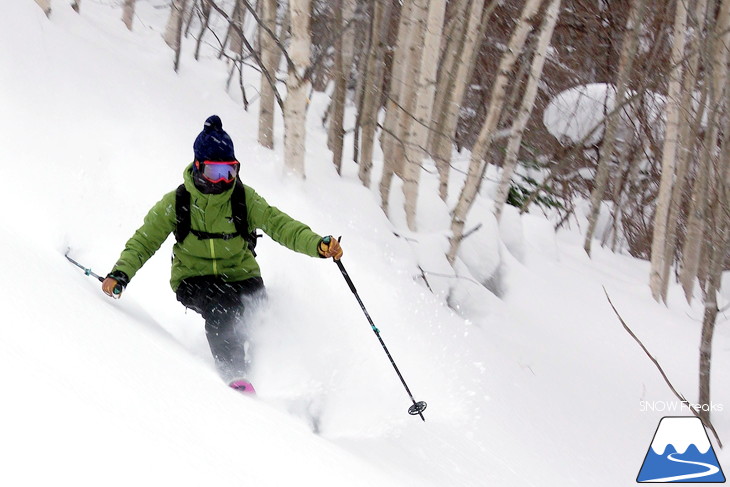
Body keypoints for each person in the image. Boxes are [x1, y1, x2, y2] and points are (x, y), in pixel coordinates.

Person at [102, 115, 343, 393]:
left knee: (263, 317)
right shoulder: (178, 202)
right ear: (198, 167)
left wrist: (317, 244)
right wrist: (120, 274)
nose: (223, 181)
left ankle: (288, 390)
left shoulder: (242, 198)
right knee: (223, 308)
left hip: (242, 276)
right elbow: (144, 240)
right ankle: (234, 378)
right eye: (215, 172)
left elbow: (281, 225)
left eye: (230, 172)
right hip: (194, 279)